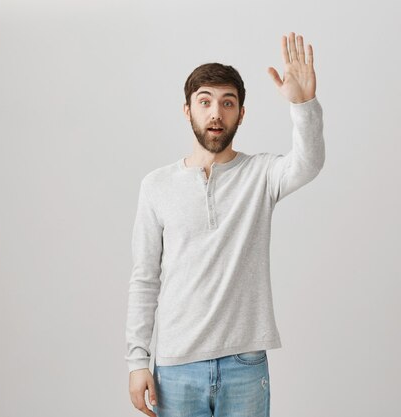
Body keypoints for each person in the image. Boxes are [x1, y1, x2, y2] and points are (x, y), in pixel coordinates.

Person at [126, 32, 325, 417]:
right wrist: (137, 361)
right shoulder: (156, 186)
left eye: (227, 103)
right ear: (188, 110)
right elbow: (145, 277)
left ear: (241, 114)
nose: (216, 113)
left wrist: (303, 103)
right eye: (205, 102)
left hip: (245, 364)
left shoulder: (261, 174)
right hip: (176, 365)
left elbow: (309, 162)